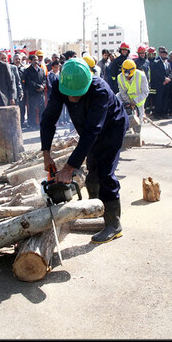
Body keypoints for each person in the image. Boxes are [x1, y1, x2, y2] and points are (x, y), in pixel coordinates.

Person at [40, 58, 129, 244]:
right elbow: (49, 119)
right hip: (88, 128)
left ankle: (114, 225)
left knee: (105, 173)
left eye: (77, 95)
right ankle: (95, 211)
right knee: (92, 171)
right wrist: (46, 154)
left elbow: (92, 132)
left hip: (112, 128)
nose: (72, 99)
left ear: (87, 84)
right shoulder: (60, 84)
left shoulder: (100, 91)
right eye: (69, 94)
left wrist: (68, 168)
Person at [117, 58, 149, 125]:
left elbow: (145, 92)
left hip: (139, 101)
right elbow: (122, 92)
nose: (127, 77)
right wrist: (128, 102)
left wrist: (135, 101)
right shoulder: (120, 77)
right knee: (117, 97)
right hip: (127, 99)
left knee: (138, 122)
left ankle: (138, 132)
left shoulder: (141, 75)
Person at [24, 54, 46, 129]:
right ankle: (32, 125)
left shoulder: (41, 70)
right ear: (30, 61)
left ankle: (41, 124)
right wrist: (37, 86)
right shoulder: (27, 70)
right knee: (32, 110)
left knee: (42, 109)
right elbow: (29, 81)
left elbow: (44, 79)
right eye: (34, 60)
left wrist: (42, 86)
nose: (36, 61)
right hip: (33, 93)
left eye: (37, 60)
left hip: (41, 93)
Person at [149, 47, 172, 119]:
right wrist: (164, 79)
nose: (164, 55)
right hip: (160, 84)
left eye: (165, 54)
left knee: (165, 99)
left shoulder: (168, 63)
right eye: (163, 54)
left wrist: (169, 78)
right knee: (159, 99)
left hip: (167, 84)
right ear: (160, 54)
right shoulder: (156, 63)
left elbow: (170, 72)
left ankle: (164, 113)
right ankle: (157, 113)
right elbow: (156, 73)